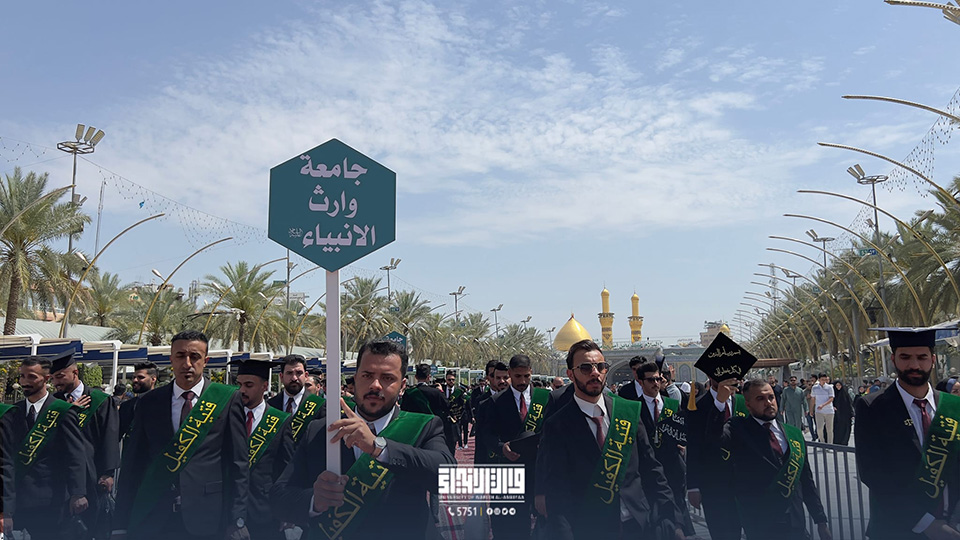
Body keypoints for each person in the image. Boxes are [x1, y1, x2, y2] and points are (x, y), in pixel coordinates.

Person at [270, 340, 454, 539]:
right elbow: (279, 498)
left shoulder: (423, 427)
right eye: (367, 376)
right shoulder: (321, 431)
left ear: (402, 386)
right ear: (356, 379)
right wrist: (314, 500)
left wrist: (379, 447)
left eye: (387, 378)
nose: (375, 385)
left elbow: (448, 477)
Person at [537, 340, 683, 540]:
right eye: (586, 368)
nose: (595, 373)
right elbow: (557, 491)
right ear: (570, 374)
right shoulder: (557, 425)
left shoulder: (627, 412)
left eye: (601, 367)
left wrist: (673, 520)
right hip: (591, 528)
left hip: (639, 525)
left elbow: (651, 468)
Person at [112, 330, 249, 540]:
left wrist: (237, 518)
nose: (187, 363)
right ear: (171, 359)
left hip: (208, 517)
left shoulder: (227, 399)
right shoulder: (149, 402)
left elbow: (238, 463)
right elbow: (132, 463)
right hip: (155, 516)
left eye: (194, 357)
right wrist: (120, 525)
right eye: (180, 356)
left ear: (205, 361)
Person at [856, 326, 960, 540]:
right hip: (898, 528)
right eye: (905, 357)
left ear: (933, 359)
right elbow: (872, 472)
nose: (914, 365)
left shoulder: (954, 406)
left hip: (953, 526)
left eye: (922, 357)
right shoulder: (872, 407)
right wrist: (926, 524)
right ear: (893, 359)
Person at [719, 379, 831, 540]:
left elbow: (806, 480)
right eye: (760, 399)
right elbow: (715, 437)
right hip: (761, 522)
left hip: (795, 521)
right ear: (748, 405)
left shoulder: (793, 434)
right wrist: (718, 403)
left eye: (771, 397)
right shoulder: (738, 429)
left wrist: (820, 520)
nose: (768, 402)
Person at [12, 356, 88, 540]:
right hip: (16, 498)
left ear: (46, 379)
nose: (24, 382)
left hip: (50, 500)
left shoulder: (62, 411)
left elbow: (75, 455)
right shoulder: (13, 412)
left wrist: (78, 493)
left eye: (31, 376)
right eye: (22, 376)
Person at [688, 332, 755, 540]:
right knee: (724, 532)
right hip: (714, 483)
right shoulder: (698, 407)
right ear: (711, 377)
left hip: (745, 482)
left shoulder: (744, 403)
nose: (730, 380)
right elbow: (694, 446)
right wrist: (693, 485)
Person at [52, 349, 120, 538]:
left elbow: (110, 437)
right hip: (61, 474)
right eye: (53, 378)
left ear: (75, 372)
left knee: (92, 525)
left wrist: (108, 473)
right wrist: (69, 410)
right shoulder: (55, 403)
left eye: (60, 376)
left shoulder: (100, 400)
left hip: (93, 473)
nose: (56, 383)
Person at [483, 354, 548, 540]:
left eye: (526, 376)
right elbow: (487, 435)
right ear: (510, 374)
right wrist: (501, 447)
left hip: (539, 470)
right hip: (509, 470)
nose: (522, 381)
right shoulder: (495, 402)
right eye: (518, 376)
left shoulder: (545, 399)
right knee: (513, 525)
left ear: (531, 373)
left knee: (546, 522)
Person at [232, 358, 295, 540]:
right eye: (239, 384)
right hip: (230, 511)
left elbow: (287, 468)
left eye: (249, 385)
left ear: (265, 386)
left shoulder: (280, 421)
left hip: (266, 511)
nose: (242, 390)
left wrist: (287, 509)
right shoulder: (228, 416)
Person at [636, 362, 694, 535]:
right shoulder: (634, 408)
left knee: (678, 509)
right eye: (650, 380)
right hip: (648, 470)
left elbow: (683, 431)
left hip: (673, 467)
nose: (655, 383)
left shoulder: (672, 405)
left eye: (658, 379)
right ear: (640, 382)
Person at [401, 363, 454, 452]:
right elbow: (447, 406)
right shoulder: (436, 392)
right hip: (433, 429)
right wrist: (441, 391)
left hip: (415, 429)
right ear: (428, 377)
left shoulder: (409, 393)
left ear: (416, 377)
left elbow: (404, 411)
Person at [119, 361, 158, 439]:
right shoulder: (127, 406)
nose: (135, 380)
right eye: (134, 377)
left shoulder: (164, 403)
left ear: (153, 379)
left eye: (141, 377)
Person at [444, 371, 471, 449]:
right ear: (446, 380)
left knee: (453, 441)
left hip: (455, 419)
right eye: (449, 379)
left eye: (452, 379)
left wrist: (458, 415)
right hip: (444, 419)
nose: (451, 381)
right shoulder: (441, 390)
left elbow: (462, 405)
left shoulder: (459, 392)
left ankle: (461, 445)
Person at [811, 373, 835, 444]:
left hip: (829, 411)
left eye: (825, 379)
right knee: (819, 429)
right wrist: (811, 409)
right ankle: (822, 442)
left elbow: (831, 398)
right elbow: (813, 399)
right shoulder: (814, 388)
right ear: (819, 379)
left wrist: (823, 405)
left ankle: (830, 444)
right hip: (819, 411)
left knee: (829, 429)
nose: (824, 381)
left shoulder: (829, 387)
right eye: (822, 379)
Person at [831, 380, 853, 446]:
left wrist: (852, 413)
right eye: (837, 385)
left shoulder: (845, 393)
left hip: (845, 414)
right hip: (836, 414)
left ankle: (844, 442)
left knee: (846, 428)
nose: (838, 387)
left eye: (839, 385)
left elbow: (849, 403)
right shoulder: (833, 394)